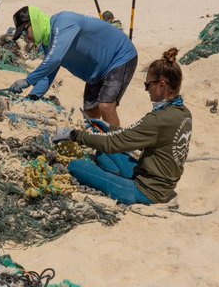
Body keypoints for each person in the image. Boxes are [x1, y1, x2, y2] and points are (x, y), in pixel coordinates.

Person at [49, 48, 192, 205]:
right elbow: (134, 135)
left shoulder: (157, 119)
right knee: (102, 153)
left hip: (148, 191)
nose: (146, 89)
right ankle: (113, 177)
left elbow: (113, 143)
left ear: (162, 86)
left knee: (77, 167)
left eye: (148, 84)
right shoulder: (183, 113)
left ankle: (117, 183)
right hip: (161, 183)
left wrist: (75, 135)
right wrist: (109, 128)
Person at [7, 5, 138, 129]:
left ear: (34, 23)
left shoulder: (63, 21)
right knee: (90, 113)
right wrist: (33, 97)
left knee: (106, 105)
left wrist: (28, 81)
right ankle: (99, 144)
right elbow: (48, 74)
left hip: (119, 57)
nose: (26, 38)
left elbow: (54, 59)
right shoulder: (48, 43)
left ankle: (118, 145)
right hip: (96, 72)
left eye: (24, 32)